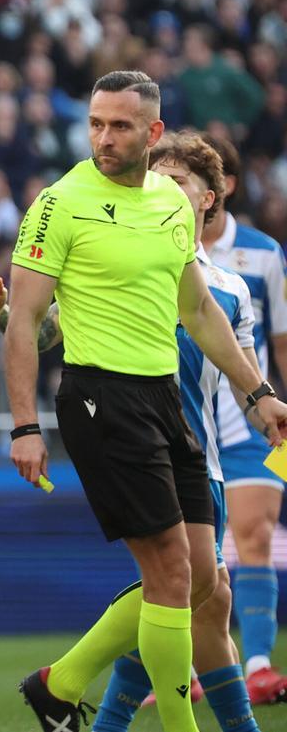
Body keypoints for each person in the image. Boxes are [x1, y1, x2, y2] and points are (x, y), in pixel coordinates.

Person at [6, 70, 287, 732]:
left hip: (164, 399)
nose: (104, 137)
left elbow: (196, 308)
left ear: (153, 131)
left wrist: (260, 393)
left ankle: (60, 683)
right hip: (100, 399)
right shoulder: (60, 201)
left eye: (121, 125)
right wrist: (24, 424)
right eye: (96, 124)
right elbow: (24, 321)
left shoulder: (167, 202)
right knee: (169, 571)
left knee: (197, 578)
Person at [199, 135, 287, 702]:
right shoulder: (154, 245)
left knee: (253, 535)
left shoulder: (261, 254)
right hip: (185, 412)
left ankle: (256, 665)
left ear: (220, 188)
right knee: (192, 564)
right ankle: (194, 669)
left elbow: (279, 342)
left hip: (246, 416)